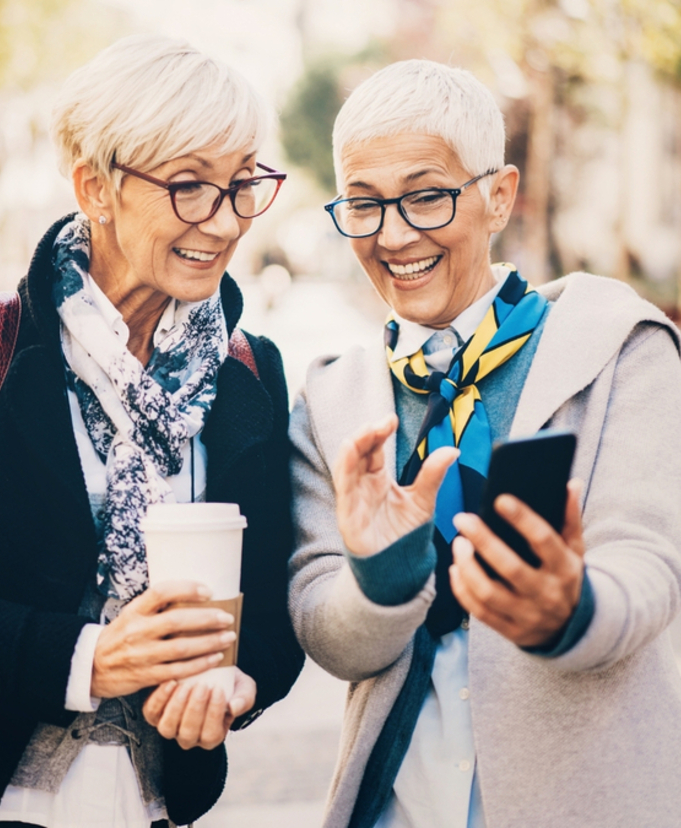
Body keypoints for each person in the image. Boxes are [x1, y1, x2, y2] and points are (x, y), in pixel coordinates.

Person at [0, 34, 303, 828]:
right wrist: (83, 658)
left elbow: (271, 617)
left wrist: (240, 682)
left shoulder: (247, 375)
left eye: (242, 187)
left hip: (152, 807)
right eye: (190, 185)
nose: (224, 222)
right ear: (95, 186)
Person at [288, 58, 681, 828]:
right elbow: (323, 627)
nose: (394, 235)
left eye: (427, 196)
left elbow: (650, 568)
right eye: (364, 206)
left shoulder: (622, 349)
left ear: (498, 196)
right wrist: (383, 579)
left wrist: (567, 608)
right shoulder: (332, 400)